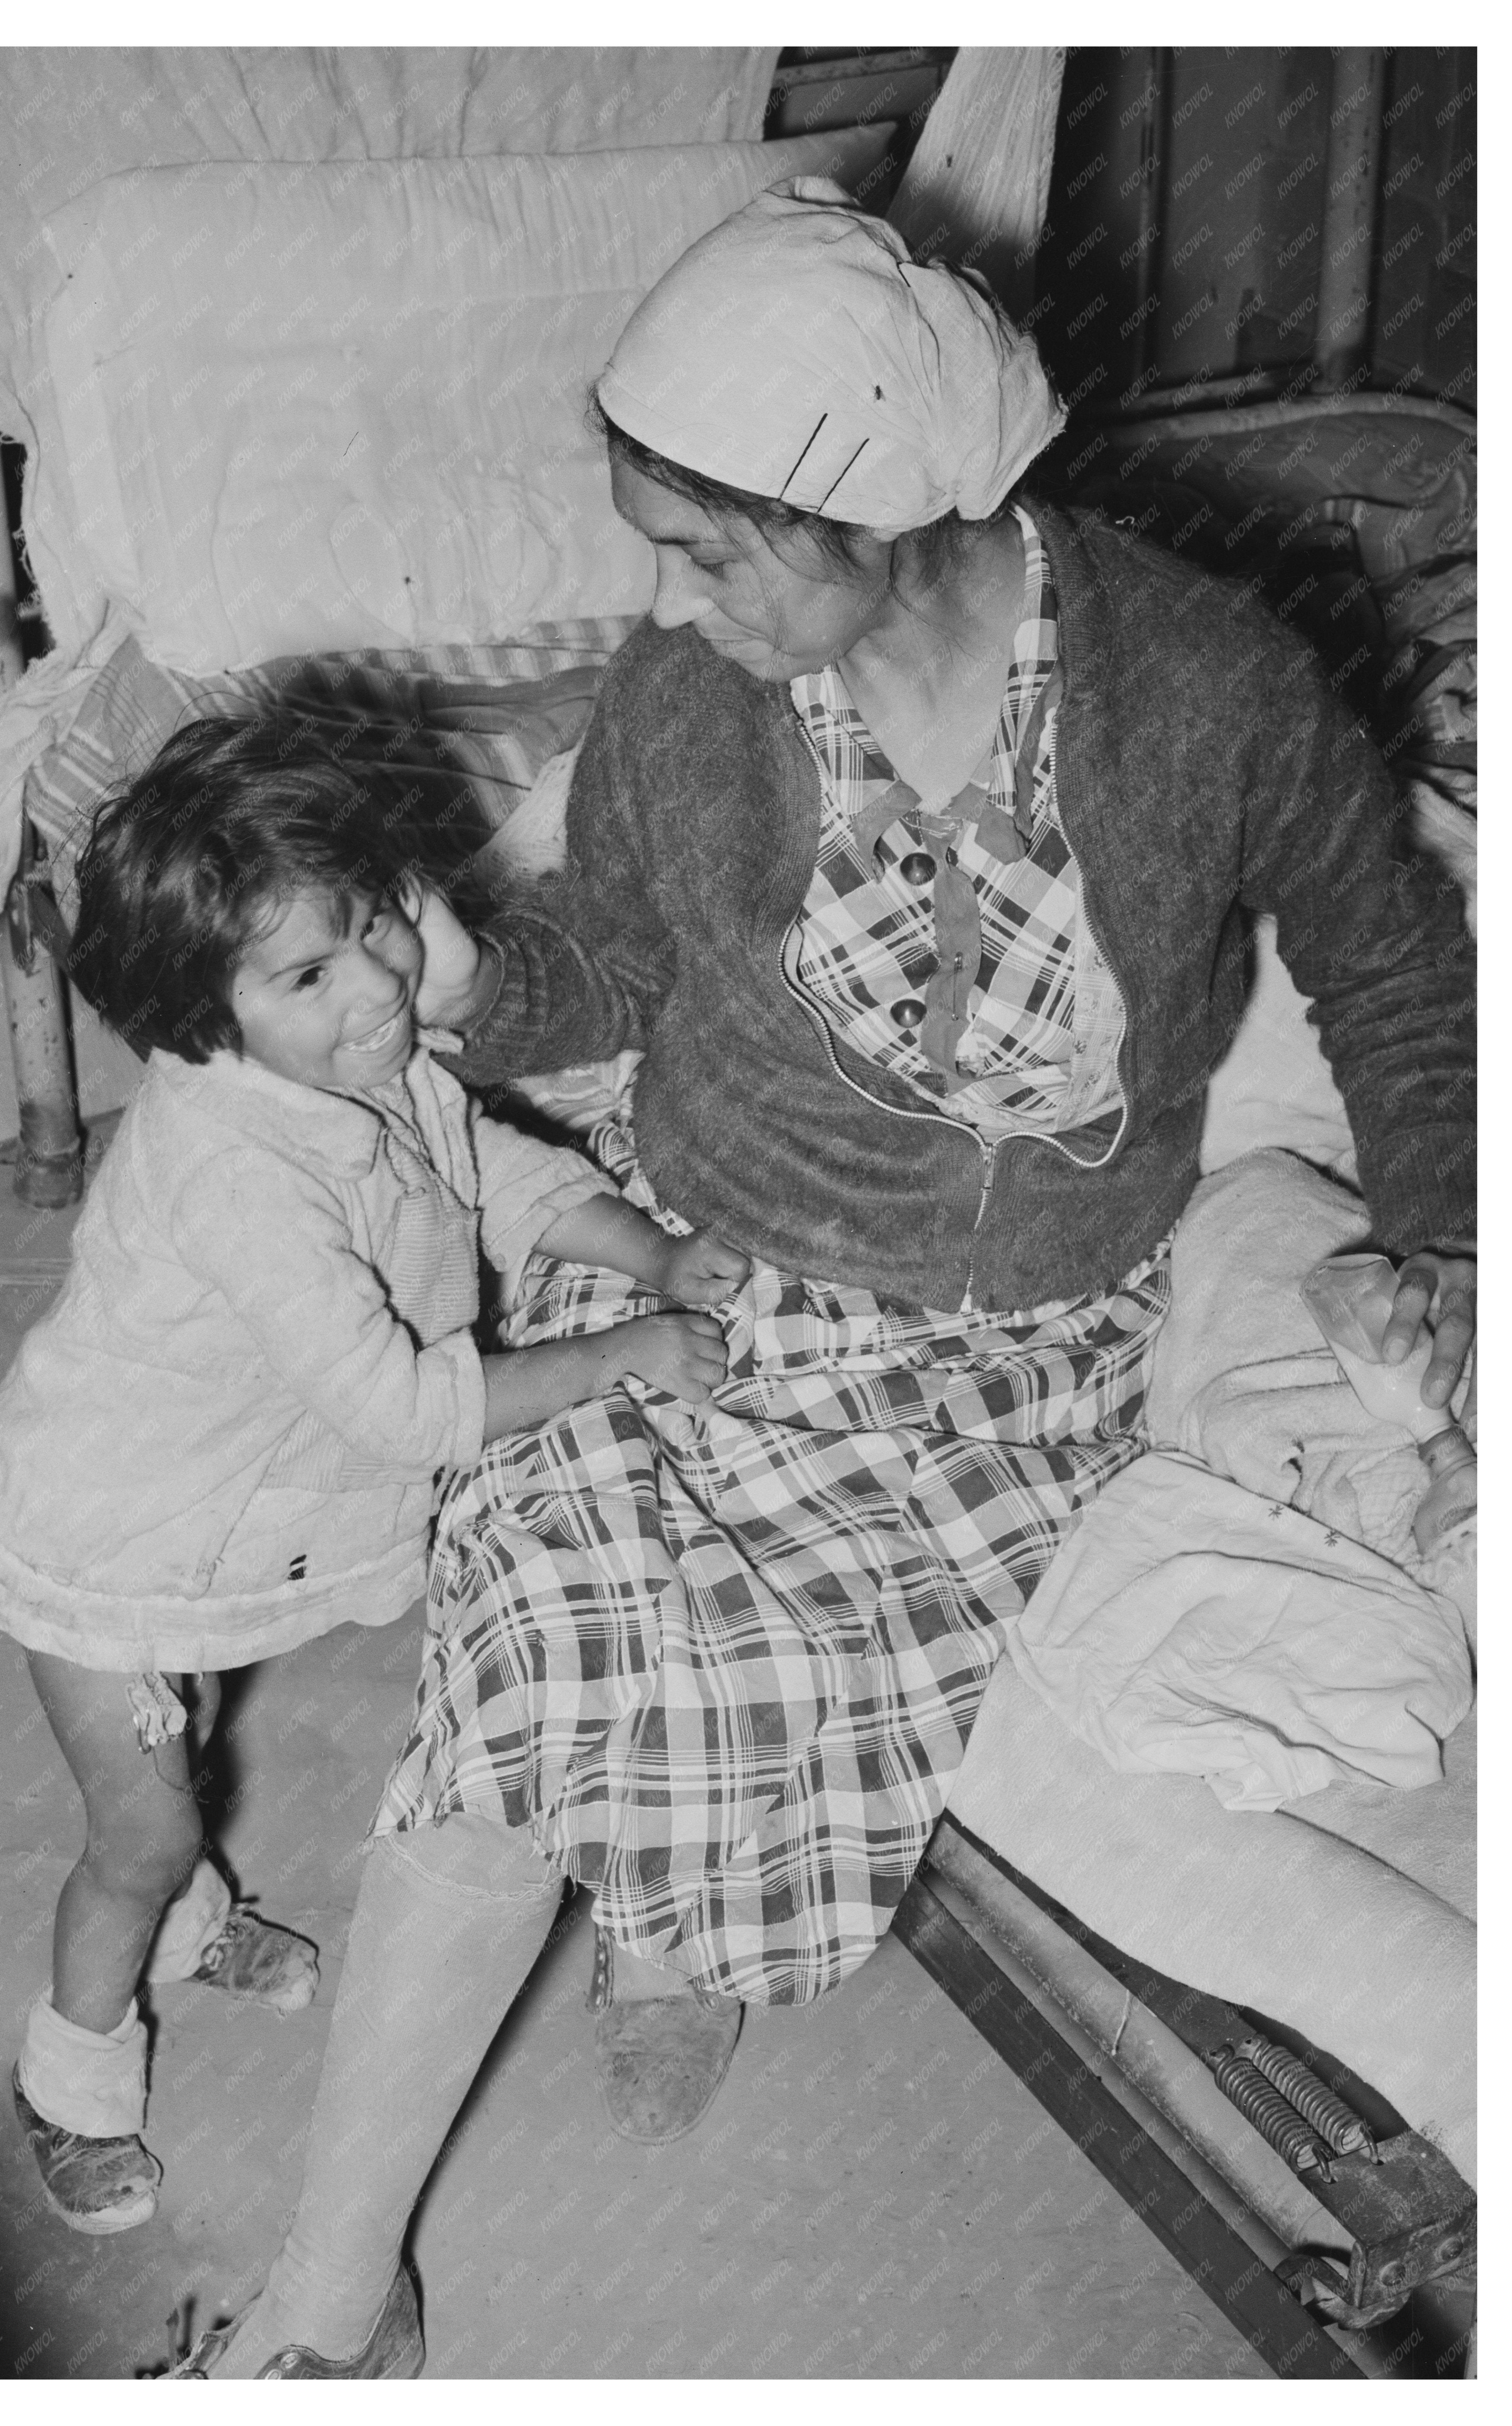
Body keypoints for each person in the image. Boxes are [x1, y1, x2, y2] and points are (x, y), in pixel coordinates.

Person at [179, 179, 1474, 2377]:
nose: (660, 605)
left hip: (1003, 1345)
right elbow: (598, 966)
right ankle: (334, 2299)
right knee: (520, 1660)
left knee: (692, 1655)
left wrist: (1434, 1234)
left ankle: (665, 1935)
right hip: (707, 1257)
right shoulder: (695, 707)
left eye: (705, 548)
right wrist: (465, 983)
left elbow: (1386, 963)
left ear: (879, 502)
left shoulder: (1191, 691)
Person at [0, 716, 747, 2244]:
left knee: (178, 1762)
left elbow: (486, 1168)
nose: (383, 987)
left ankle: (187, 1931)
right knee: (139, 1831)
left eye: (378, 926)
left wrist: (642, 1250)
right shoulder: (235, 1170)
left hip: (218, 1522)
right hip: (104, 1548)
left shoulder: (369, 1059)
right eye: (309, 975)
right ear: (200, 1017)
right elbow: (401, 1406)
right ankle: (71, 2073)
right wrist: (617, 1353)